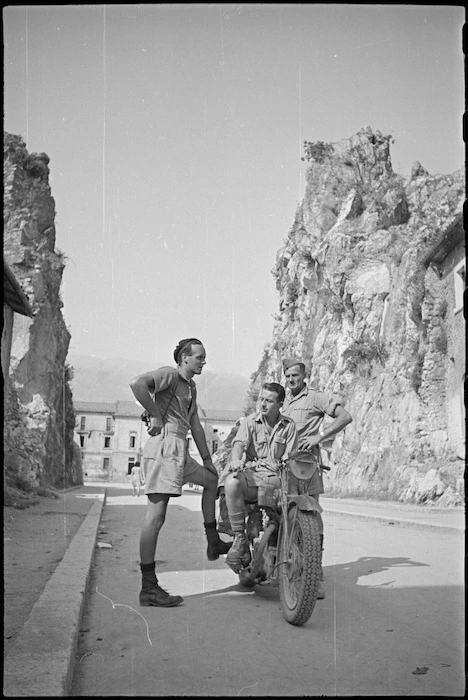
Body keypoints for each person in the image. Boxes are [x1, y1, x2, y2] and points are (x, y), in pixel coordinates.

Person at [129, 337, 232, 608]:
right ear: (184, 357)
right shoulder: (170, 375)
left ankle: (213, 543)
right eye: (199, 357)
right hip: (163, 446)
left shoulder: (191, 387)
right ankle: (148, 587)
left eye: (204, 357)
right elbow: (137, 384)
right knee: (156, 517)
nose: (203, 361)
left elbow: (196, 425)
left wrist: (208, 460)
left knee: (211, 481)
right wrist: (155, 414)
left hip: (180, 450)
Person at [281, 358, 353, 599]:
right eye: (287, 376)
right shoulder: (284, 399)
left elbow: (344, 417)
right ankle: (289, 563)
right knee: (283, 515)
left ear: (304, 376)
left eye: (295, 376)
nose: (291, 379)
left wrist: (319, 437)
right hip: (285, 465)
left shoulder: (315, 397)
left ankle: (313, 567)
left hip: (307, 465)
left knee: (311, 513)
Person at [223, 382, 297, 573]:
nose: (262, 404)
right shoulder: (249, 422)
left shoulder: (289, 426)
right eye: (261, 399)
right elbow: (239, 444)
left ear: (280, 403)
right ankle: (239, 538)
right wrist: (236, 460)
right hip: (254, 475)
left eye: (269, 401)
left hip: (279, 480)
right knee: (231, 482)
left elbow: (291, 456)